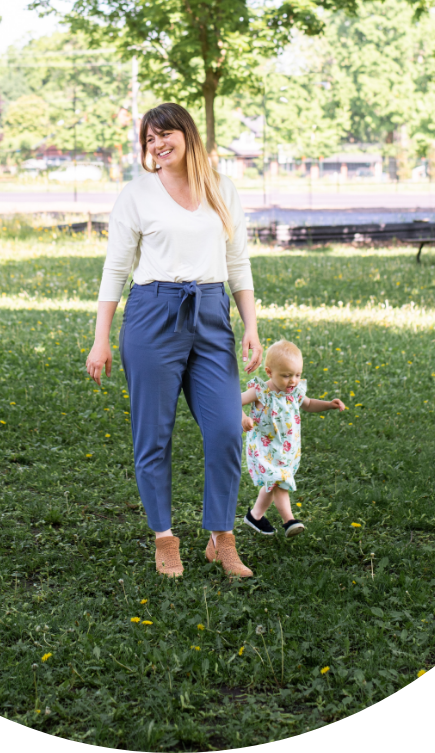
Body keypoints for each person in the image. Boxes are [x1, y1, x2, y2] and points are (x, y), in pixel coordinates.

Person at [86, 103, 262, 578]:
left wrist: (251, 325)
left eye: (165, 135)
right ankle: (165, 538)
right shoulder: (137, 195)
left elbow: (238, 262)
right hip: (151, 315)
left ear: (186, 134)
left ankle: (220, 536)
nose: (157, 145)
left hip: (210, 313)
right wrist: (100, 339)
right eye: (149, 139)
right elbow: (116, 270)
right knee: (154, 437)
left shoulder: (222, 189)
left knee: (227, 428)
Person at [241, 340, 346, 536]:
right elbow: (233, 401)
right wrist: (243, 417)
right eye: (286, 376)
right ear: (269, 372)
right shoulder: (260, 391)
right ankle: (289, 520)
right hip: (264, 448)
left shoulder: (294, 392)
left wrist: (328, 404)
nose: (293, 381)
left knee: (275, 481)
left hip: (285, 449)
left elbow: (308, 404)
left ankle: (255, 516)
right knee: (279, 481)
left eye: (297, 375)